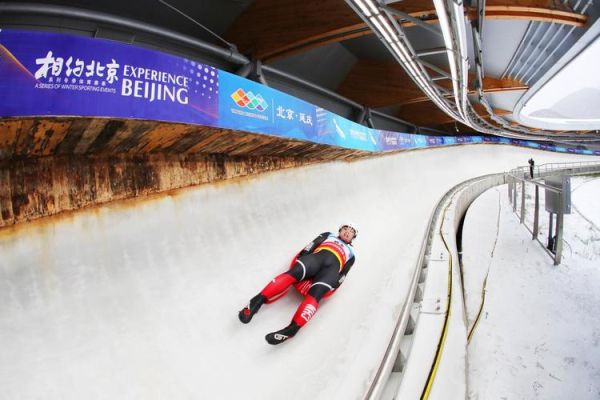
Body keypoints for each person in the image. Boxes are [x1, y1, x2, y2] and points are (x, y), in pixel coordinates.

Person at [238, 224, 358, 345]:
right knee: (294, 272)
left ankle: (292, 329)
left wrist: (336, 284)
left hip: (331, 270)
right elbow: (313, 244)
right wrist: (304, 255)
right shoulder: (328, 235)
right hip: (317, 258)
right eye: (345, 229)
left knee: (317, 294)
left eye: (351, 232)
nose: (347, 232)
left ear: (353, 237)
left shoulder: (352, 254)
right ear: (340, 230)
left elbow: (343, 273)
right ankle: (255, 302)